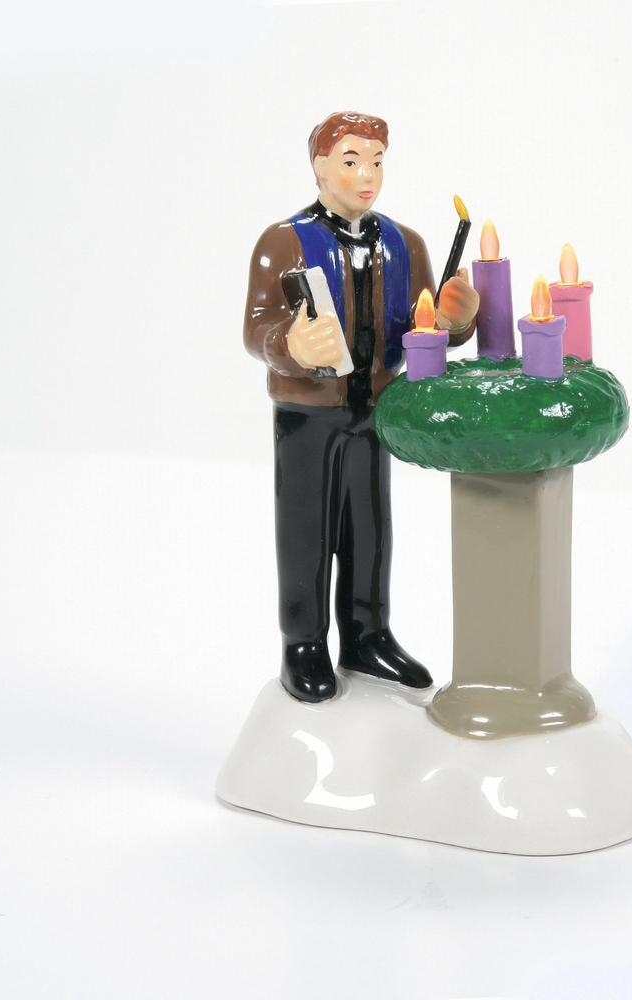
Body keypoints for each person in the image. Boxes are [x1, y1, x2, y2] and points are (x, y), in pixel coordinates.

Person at [243, 111, 479, 702]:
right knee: (306, 530)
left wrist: (454, 321)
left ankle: (367, 634)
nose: (367, 175)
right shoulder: (282, 242)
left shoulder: (405, 244)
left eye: (376, 162)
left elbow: (423, 329)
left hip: (377, 408)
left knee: (370, 527)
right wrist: (290, 344)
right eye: (351, 162)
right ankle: (303, 643)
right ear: (320, 167)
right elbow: (256, 327)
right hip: (307, 414)